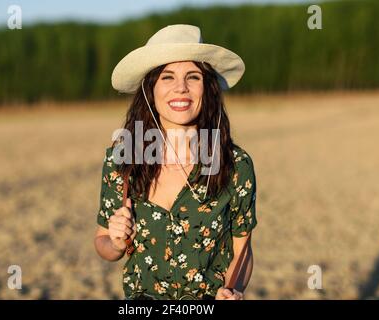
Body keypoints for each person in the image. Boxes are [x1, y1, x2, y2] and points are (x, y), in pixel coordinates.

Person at [94, 24, 257, 300]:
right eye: (167, 77)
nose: (181, 88)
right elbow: (103, 244)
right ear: (150, 89)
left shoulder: (235, 165)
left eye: (192, 77)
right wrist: (116, 242)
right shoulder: (123, 160)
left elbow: (243, 249)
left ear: (207, 88)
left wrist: (233, 289)